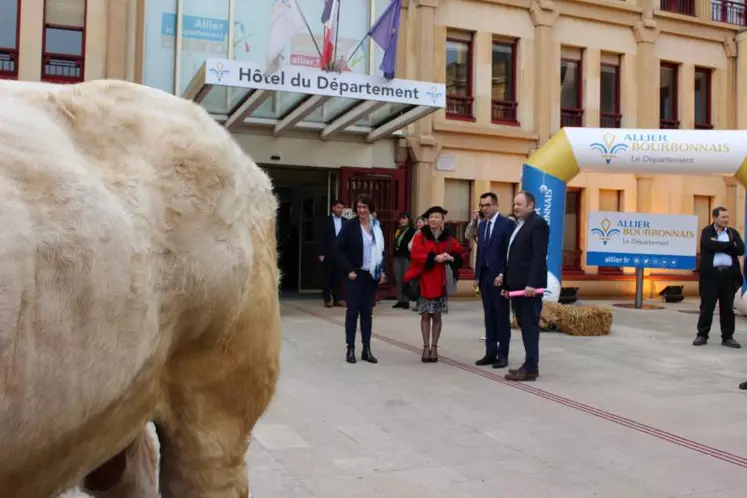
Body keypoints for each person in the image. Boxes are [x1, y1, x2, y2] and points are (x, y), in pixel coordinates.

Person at [405, 206, 463, 363]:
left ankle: (435, 347)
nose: (433, 220)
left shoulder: (448, 238)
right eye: (431, 217)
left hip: (440, 282)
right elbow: (416, 254)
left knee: (437, 316)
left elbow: (459, 253)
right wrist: (433, 258)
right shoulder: (420, 236)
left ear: (442, 220)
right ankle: (425, 347)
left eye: (437, 217)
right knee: (425, 315)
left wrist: (451, 258)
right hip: (424, 280)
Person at [334, 194, 387, 364]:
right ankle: (350, 348)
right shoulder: (350, 226)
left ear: (371, 209)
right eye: (359, 207)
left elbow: (382, 251)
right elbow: (337, 249)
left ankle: (366, 348)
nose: (362, 210)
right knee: (352, 312)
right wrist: (348, 269)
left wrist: (382, 269)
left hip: (370, 275)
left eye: (365, 207)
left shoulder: (377, 227)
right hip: (354, 274)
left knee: (367, 313)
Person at [502, 191, 549, 381]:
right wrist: (507, 284)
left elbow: (538, 256)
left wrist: (532, 283)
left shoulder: (538, 224)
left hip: (529, 289)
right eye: (514, 204)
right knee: (523, 325)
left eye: (520, 204)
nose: (516, 208)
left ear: (531, 205)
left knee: (530, 326)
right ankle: (528, 364)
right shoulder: (520, 225)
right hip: (517, 287)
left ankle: (531, 368)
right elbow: (512, 257)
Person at [473, 192, 516, 369]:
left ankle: (503, 354)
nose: (485, 208)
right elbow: (480, 252)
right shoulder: (482, 226)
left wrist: (503, 274)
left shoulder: (507, 224)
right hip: (485, 278)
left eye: (488, 205)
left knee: (501, 317)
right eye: (482, 205)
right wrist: (477, 275)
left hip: (500, 279)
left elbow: (510, 253)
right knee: (489, 317)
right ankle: (490, 352)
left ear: (496, 205)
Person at [693, 206, 744, 348]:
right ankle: (702, 335)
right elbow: (709, 245)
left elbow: (740, 249)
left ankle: (728, 337)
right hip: (711, 277)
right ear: (714, 218)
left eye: (727, 217)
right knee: (707, 307)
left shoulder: (733, 232)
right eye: (723, 217)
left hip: (728, 277)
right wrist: (729, 245)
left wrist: (722, 245)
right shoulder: (706, 231)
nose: (726, 220)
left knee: (727, 308)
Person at [316, 200, 347, 307]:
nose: (340, 210)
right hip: (328, 252)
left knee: (338, 277)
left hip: (341, 253)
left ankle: (337, 299)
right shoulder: (326, 221)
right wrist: (321, 253)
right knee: (327, 276)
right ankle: (327, 299)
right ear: (333, 208)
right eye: (338, 207)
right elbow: (321, 237)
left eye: (342, 208)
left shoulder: (345, 221)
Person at [392, 212, 416, 309]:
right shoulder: (398, 230)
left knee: (406, 279)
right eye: (401, 218)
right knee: (398, 279)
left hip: (407, 257)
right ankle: (400, 300)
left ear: (408, 220)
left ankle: (406, 300)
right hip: (397, 256)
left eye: (404, 218)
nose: (402, 220)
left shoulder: (411, 230)